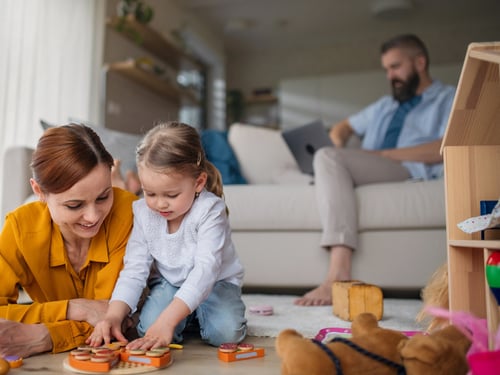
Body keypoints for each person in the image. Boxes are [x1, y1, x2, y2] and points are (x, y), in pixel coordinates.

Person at [295, 34, 456, 306]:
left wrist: (380, 154)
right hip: (365, 166)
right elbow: (343, 126)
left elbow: (445, 146)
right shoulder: (385, 105)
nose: (390, 76)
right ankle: (327, 170)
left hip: (406, 170)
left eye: (395, 67)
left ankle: (338, 273)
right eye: (386, 70)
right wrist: (336, 142)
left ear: (420, 62)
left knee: (327, 159)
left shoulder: (448, 98)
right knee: (320, 161)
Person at [87, 121, 247, 349]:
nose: (159, 203)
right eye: (149, 192)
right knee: (147, 328)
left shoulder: (210, 210)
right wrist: (113, 316)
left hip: (216, 283)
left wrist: (168, 320)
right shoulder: (143, 212)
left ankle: (190, 314)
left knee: (225, 334)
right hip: (170, 283)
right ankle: (189, 314)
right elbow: (134, 270)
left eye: (171, 194)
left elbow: (205, 271)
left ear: (198, 182)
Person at [0, 124, 138, 358]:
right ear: (39, 192)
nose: (93, 216)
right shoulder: (20, 227)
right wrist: (74, 308)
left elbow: (112, 318)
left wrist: (46, 336)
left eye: (104, 196)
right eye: (75, 205)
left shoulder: (128, 213)